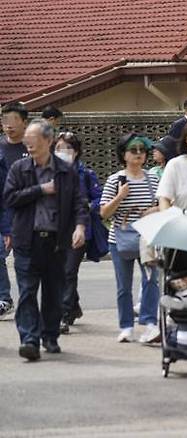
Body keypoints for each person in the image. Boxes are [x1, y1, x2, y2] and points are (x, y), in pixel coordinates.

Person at [4, 119, 87, 361]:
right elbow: (9, 198)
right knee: (28, 292)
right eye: (27, 140)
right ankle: (29, 339)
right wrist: (40, 189)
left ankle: (50, 336)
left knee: (53, 292)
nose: (29, 144)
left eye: (34, 140)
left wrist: (80, 227)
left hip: (56, 242)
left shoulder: (65, 170)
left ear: (48, 141)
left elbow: (79, 202)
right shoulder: (20, 169)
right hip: (27, 241)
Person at [100, 133, 160, 344]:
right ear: (123, 154)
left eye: (142, 150)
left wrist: (153, 210)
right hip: (120, 238)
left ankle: (150, 322)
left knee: (151, 280)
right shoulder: (114, 180)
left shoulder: (152, 178)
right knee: (123, 286)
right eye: (133, 150)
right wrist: (120, 196)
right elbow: (104, 213)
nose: (138, 154)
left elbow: (164, 203)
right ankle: (126, 326)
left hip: (147, 237)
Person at [54, 132, 103, 334]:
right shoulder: (48, 173)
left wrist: (88, 206)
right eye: (58, 149)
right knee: (59, 272)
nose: (61, 153)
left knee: (68, 271)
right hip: (54, 230)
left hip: (79, 230)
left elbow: (100, 199)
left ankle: (63, 315)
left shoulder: (86, 174)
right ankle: (73, 305)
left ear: (76, 152)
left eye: (66, 149)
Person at [0, 102, 29, 320]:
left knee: (25, 262)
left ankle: (28, 302)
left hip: (27, 212)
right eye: (4, 121)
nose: (8, 126)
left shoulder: (32, 148)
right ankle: (4, 298)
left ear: (24, 123)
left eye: (13, 121)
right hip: (2, 210)